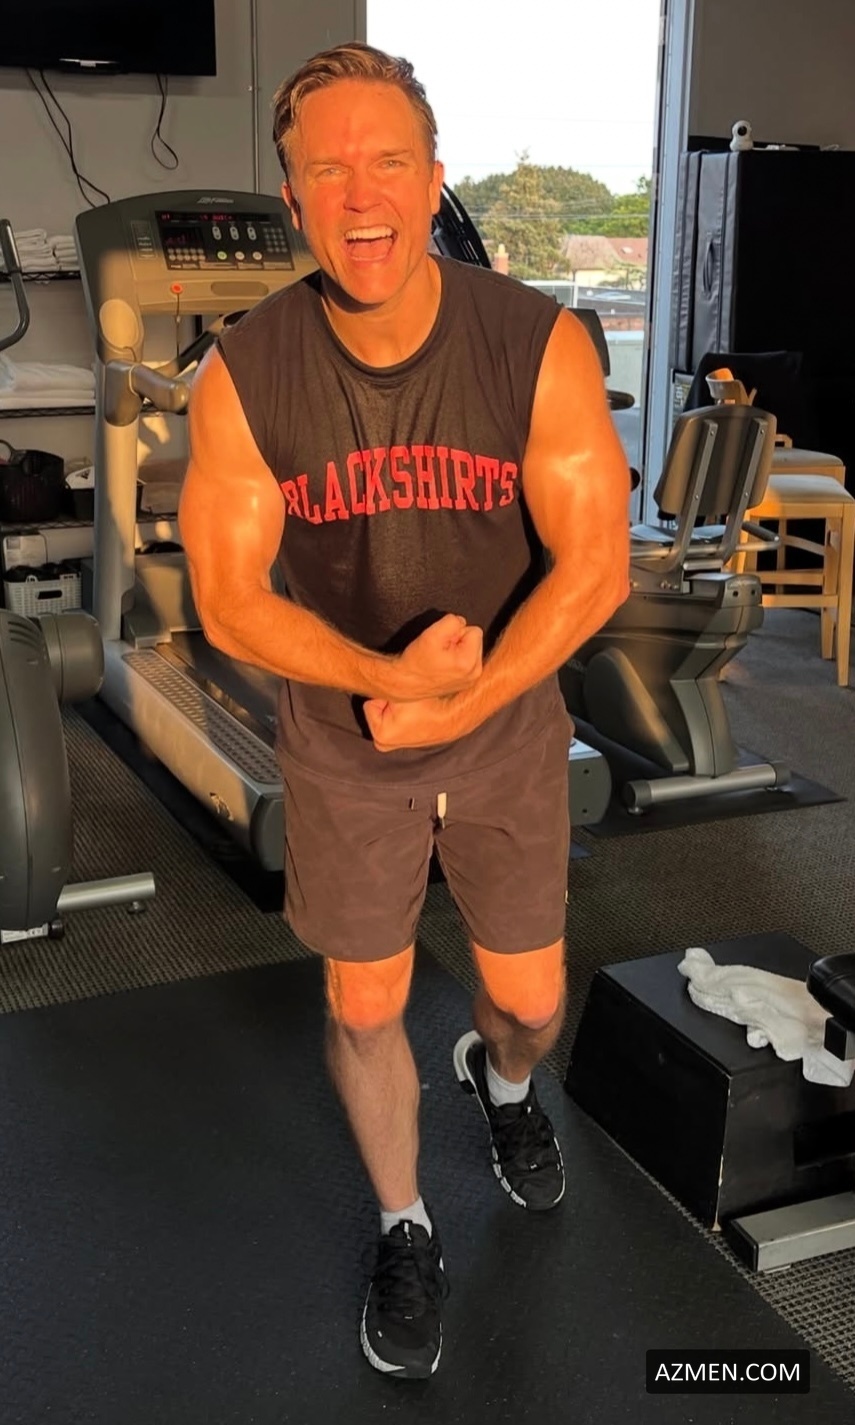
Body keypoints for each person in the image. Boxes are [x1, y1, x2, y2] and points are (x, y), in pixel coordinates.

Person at [179, 41, 630, 1381]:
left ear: (435, 181)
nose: (360, 194)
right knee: (367, 1003)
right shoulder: (245, 375)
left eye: (388, 162)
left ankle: (502, 1081)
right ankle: (404, 1221)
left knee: (531, 1003)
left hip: (502, 716)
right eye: (327, 170)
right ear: (292, 198)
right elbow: (229, 600)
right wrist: (388, 685)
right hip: (348, 734)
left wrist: (465, 691)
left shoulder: (535, 343)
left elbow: (596, 564)